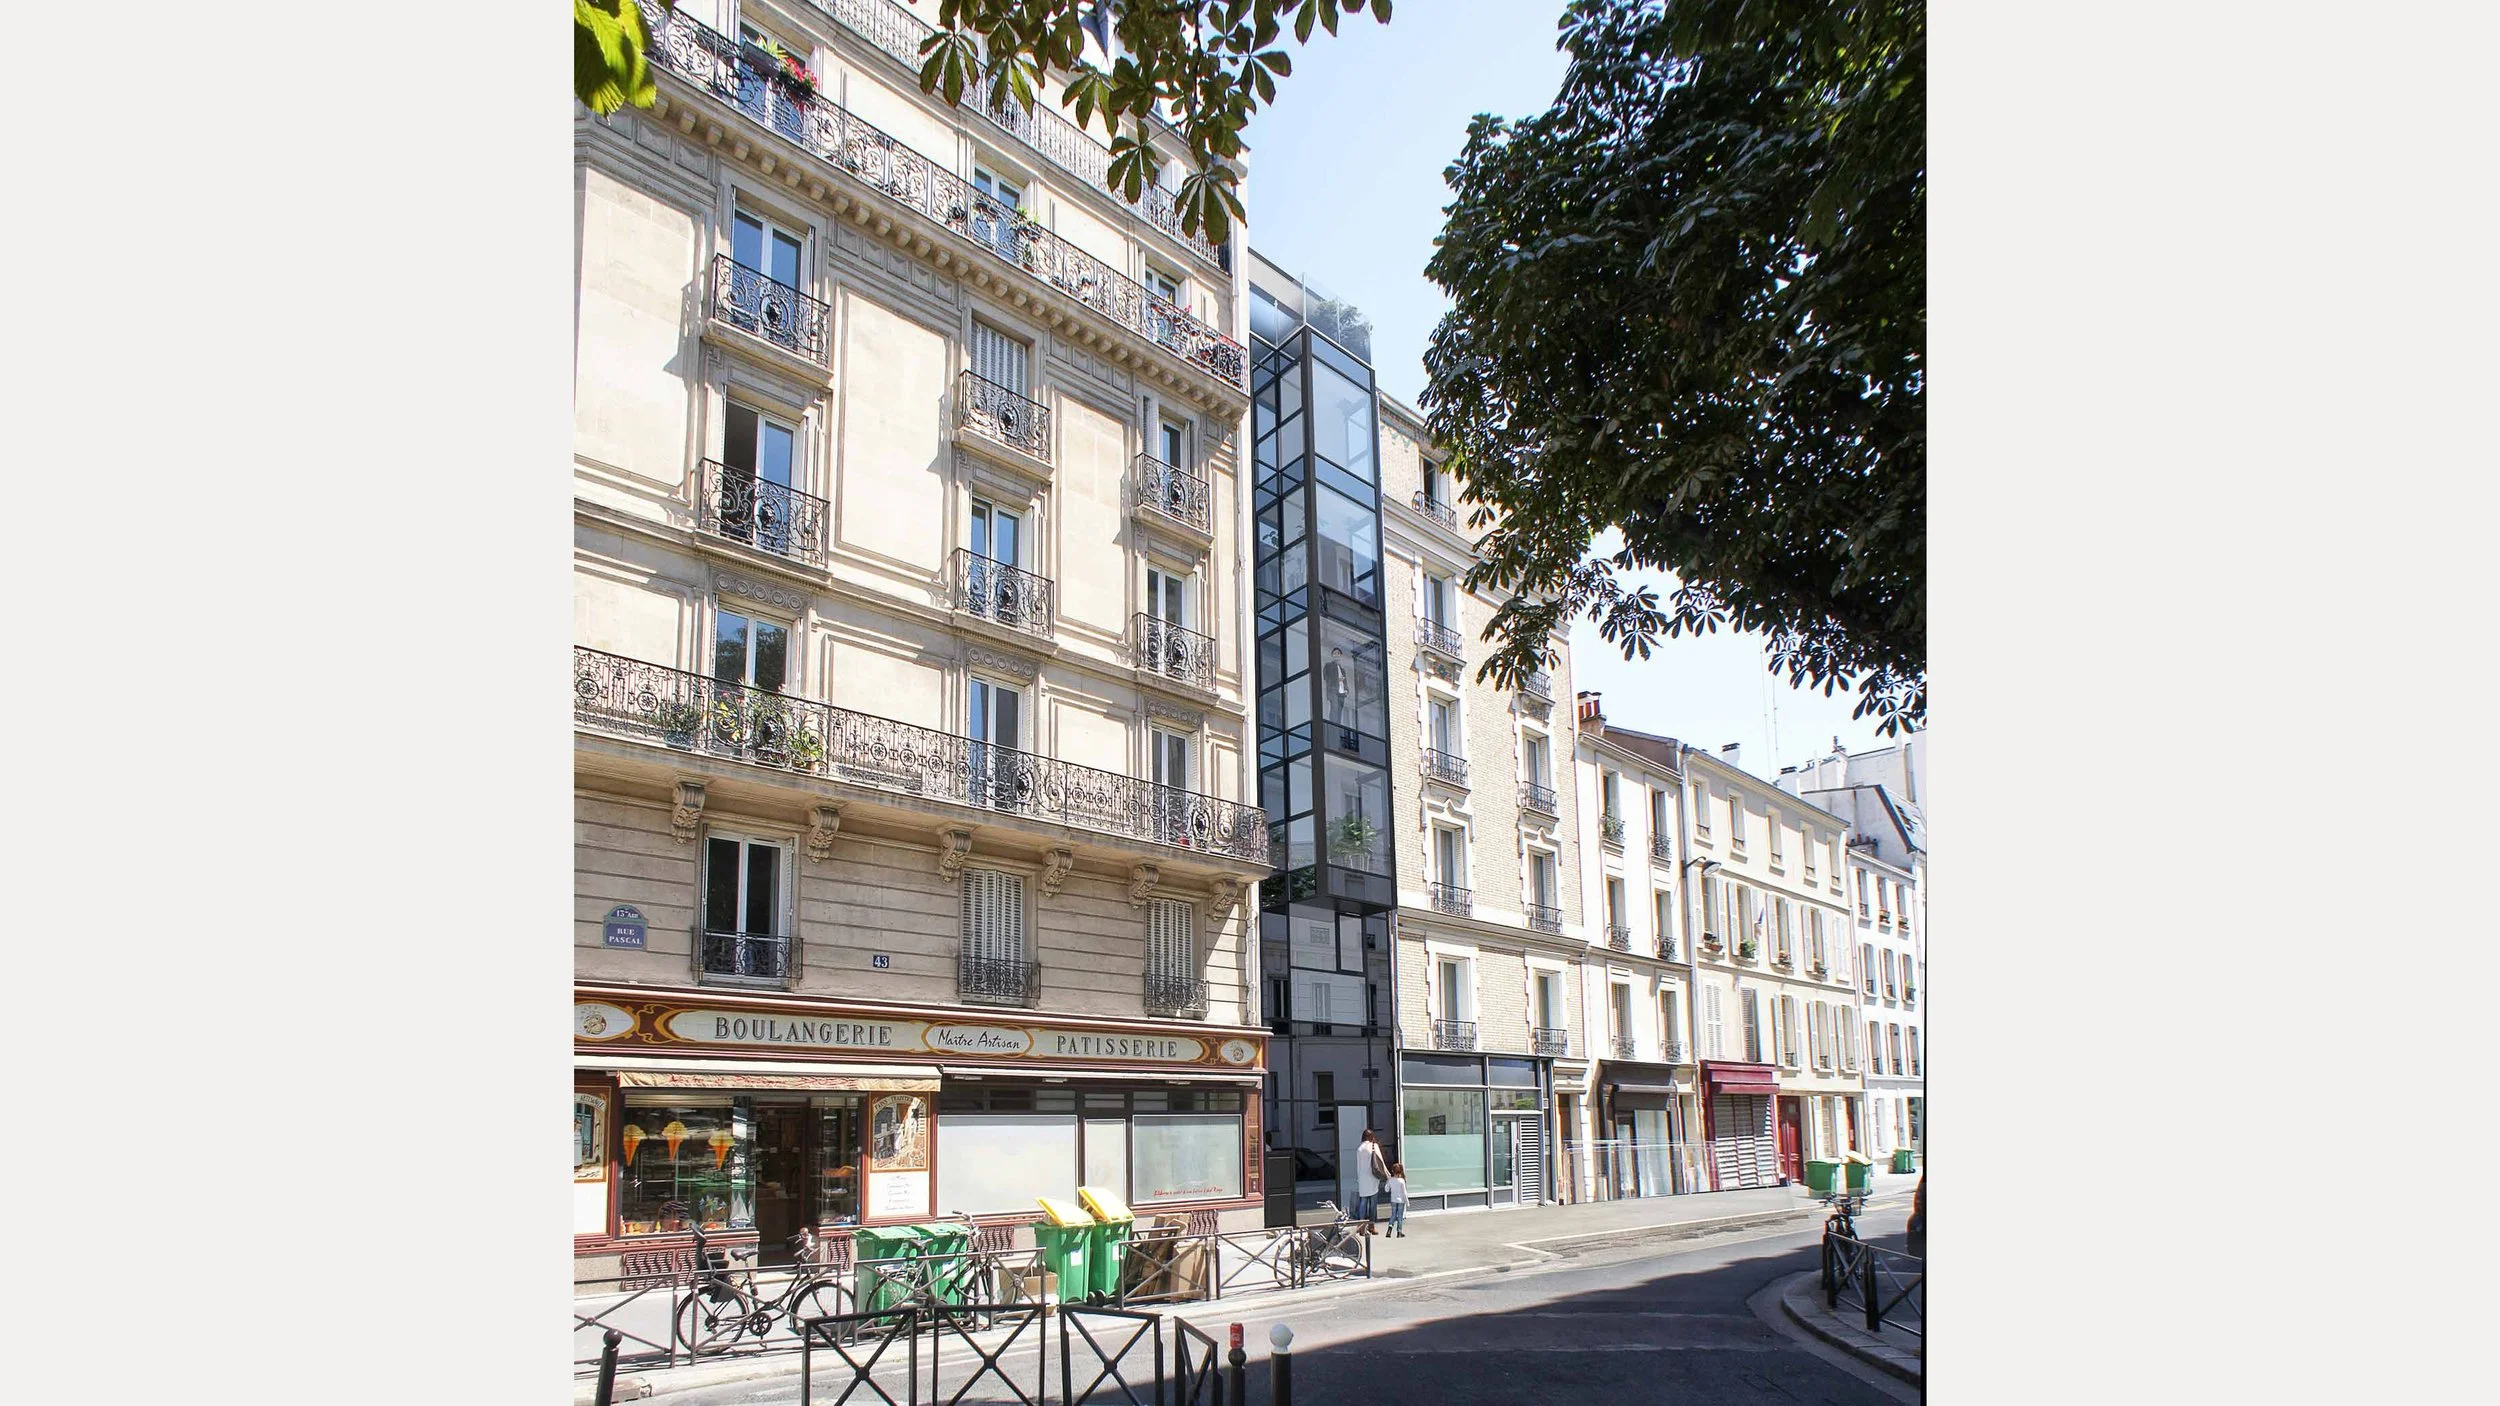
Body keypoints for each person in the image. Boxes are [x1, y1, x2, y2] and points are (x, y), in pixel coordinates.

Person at [1353, 1127, 1391, 1232]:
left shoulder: (1359, 1148)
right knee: (1373, 1203)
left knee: (1363, 1203)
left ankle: (1361, 1226)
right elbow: (1381, 1162)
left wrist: (1358, 1178)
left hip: (1363, 1178)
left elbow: (1358, 1166)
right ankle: (1371, 1226)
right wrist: (1387, 1174)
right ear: (1371, 1136)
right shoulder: (1374, 1146)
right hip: (1373, 1177)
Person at [1385, 1162, 1408, 1238]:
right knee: (1400, 1217)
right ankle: (1399, 1232)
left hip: (1393, 1200)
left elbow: (1386, 1190)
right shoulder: (1401, 1181)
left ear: (1392, 1171)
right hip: (1401, 1201)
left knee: (1393, 1215)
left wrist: (1387, 1181)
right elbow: (1404, 1192)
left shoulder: (1391, 1180)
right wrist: (1407, 1202)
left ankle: (1389, 1230)